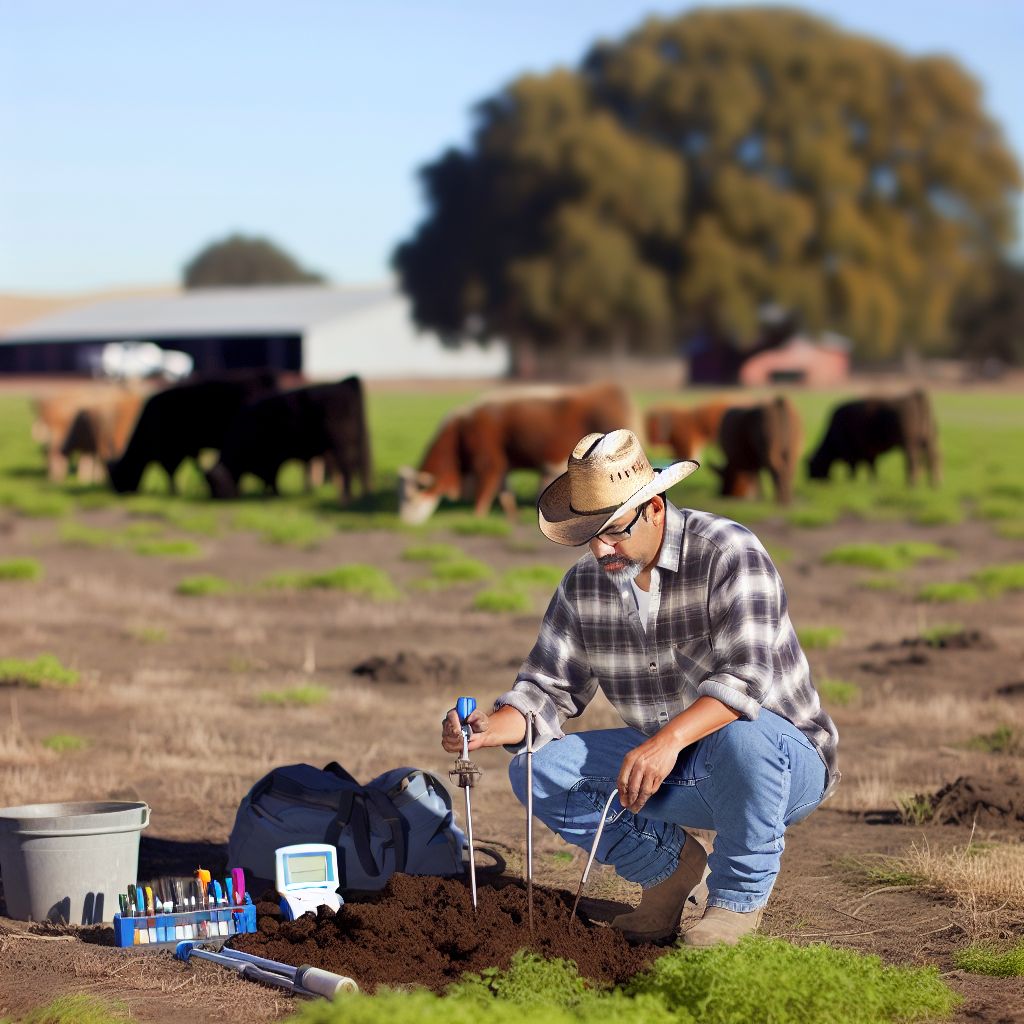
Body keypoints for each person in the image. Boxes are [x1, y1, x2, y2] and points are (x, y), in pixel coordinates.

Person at [442, 428, 839, 945]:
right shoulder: (583, 586)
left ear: (653, 509)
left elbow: (747, 680)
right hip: (669, 769)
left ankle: (735, 905)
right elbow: (547, 690)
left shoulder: (729, 552)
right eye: (591, 535)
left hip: (781, 763)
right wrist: (492, 728)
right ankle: (671, 871)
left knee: (743, 733)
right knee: (537, 769)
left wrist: (668, 740)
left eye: (614, 530)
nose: (602, 549)